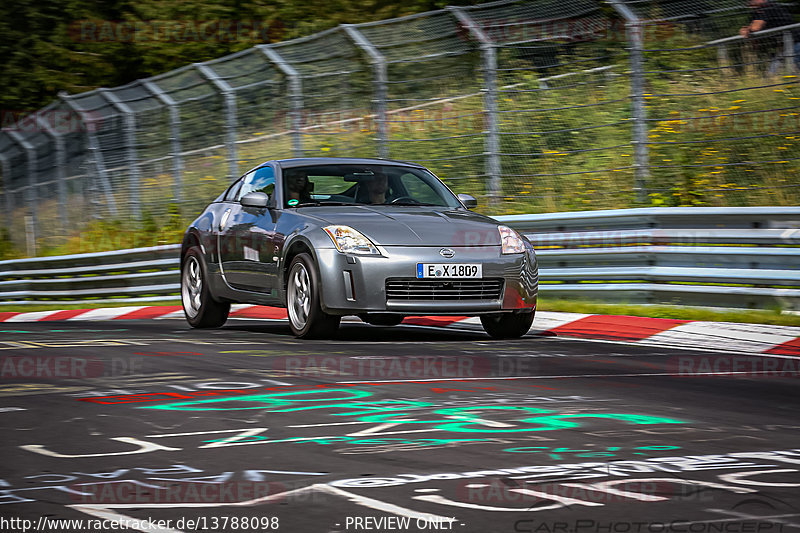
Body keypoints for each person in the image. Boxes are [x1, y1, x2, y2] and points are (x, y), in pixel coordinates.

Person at [739, 0, 799, 73]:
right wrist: (747, 31)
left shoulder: (769, 6)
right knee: (775, 69)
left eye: (751, 1)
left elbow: (756, 27)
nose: (748, 3)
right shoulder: (756, 12)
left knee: (779, 68)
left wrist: (747, 29)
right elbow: (752, 29)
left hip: (796, 42)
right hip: (787, 46)